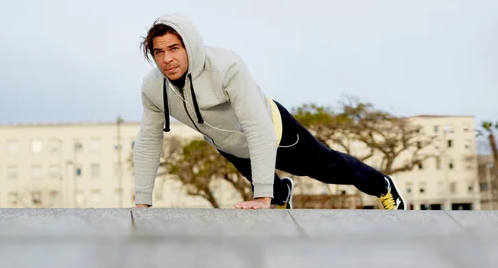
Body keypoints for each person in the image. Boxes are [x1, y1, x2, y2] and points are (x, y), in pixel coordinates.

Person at [132, 13, 406, 210]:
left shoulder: (226, 67)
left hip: (274, 130)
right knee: (268, 186)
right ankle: (280, 193)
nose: (166, 59)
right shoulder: (154, 87)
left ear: (189, 46)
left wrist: (260, 197)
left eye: (174, 48)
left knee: (328, 169)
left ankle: (383, 185)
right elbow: (148, 142)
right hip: (232, 145)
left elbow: (257, 127)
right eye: (158, 52)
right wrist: (142, 201)